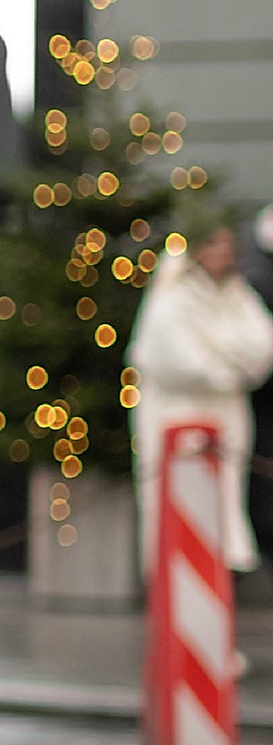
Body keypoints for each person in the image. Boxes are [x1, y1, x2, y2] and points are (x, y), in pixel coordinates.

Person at [129, 217, 273, 576]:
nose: (219, 254)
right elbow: (175, 357)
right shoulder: (172, 294)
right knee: (179, 503)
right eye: (211, 244)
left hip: (227, 417)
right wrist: (224, 363)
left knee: (224, 502)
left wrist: (216, 351)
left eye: (225, 246)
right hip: (179, 415)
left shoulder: (238, 294)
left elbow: (261, 349)